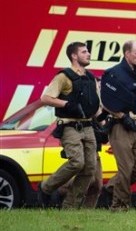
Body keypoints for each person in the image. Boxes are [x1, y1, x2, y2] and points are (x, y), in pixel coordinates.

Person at [38, 41, 100, 208]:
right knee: (77, 163)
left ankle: (70, 207)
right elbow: (45, 98)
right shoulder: (63, 77)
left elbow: (95, 105)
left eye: (88, 52)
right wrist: (66, 104)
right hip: (70, 127)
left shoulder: (90, 77)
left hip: (88, 127)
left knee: (89, 169)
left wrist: (103, 119)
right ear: (74, 55)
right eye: (84, 52)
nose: (88, 54)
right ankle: (46, 188)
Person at [100, 40, 136, 212]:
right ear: (127, 54)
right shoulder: (112, 74)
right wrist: (121, 116)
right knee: (126, 169)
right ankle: (119, 206)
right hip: (119, 127)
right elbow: (105, 102)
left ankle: (111, 188)